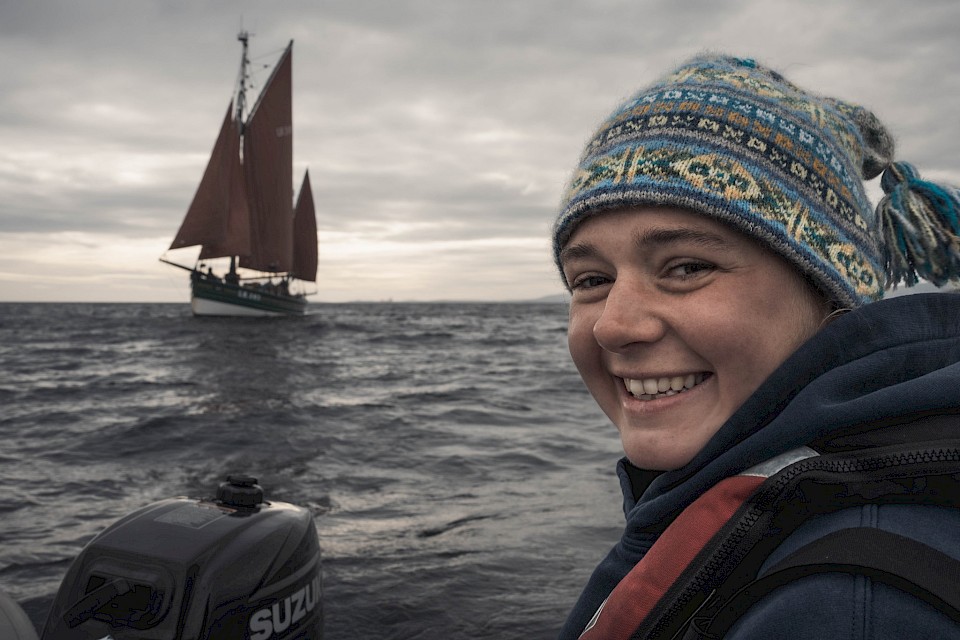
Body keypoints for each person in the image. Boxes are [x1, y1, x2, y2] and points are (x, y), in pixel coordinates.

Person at [552, 54, 960, 639]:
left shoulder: (849, 609)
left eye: (686, 267)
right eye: (591, 280)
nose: (614, 326)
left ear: (828, 294)